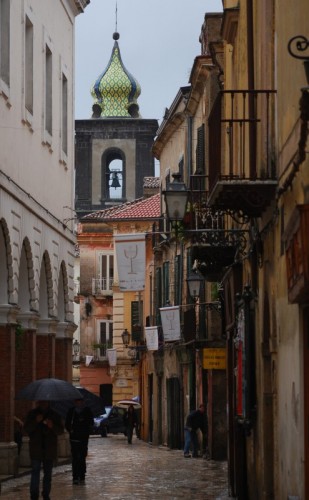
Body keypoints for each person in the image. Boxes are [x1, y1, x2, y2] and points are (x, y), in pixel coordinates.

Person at [24, 400, 64, 500]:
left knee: (48, 473)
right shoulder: (32, 414)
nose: (43, 403)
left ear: (49, 402)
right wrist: (36, 421)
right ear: (38, 402)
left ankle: (46, 494)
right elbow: (26, 429)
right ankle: (34, 495)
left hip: (49, 449)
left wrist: (52, 426)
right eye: (42, 401)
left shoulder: (55, 414)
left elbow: (60, 431)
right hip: (36, 448)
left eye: (45, 401)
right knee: (35, 471)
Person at [65, 398, 94, 485]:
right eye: (77, 401)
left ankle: (82, 475)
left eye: (80, 401)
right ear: (75, 402)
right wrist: (70, 430)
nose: (79, 403)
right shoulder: (72, 411)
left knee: (82, 456)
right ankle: (75, 476)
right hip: (74, 438)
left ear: (83, 402)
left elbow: (91, 423)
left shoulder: (87, 410)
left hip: (84, 438)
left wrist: (84, 421)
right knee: (75, 457)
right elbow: (67, 423)